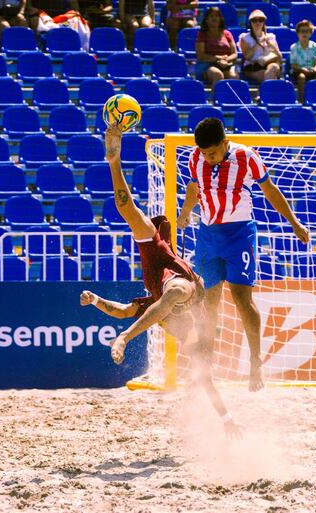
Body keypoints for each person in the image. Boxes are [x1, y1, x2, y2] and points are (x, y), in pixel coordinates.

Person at [81, 123, 242, 438]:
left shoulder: (189, 342)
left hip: (158, 279)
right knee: (131, 214)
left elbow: (124, 310)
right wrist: (125, 338)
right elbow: (173, 305)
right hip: (173, 271)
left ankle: (113, 161)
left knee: (164, 295)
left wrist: (96, 300)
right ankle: (114, 160)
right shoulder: (196, 306)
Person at [177, 118, 310, 391]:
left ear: (225, 144)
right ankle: (207, 366)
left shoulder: (246, 156)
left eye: (212, 153)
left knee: (241, 298)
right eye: (204, 153)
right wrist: (185, 212)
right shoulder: (196, 159)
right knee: (207, 302)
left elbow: (270, 189)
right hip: (208, 235)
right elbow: (193, 188)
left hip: (239, 235)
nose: (208, 158)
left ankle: (255, 361)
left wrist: (294, 222)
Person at [195, 7, 238, 87]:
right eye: (211, 16)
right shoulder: (202, 34)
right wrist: (218, 58)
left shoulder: (227, 34)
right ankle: (216, 98)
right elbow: (200, 55)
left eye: (217, 16)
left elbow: (234, 54)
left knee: (234, 77)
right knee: (218, 75)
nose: (214, 18)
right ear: (206, 19)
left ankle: (232, 99)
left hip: (226, 64)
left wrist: (225, 60)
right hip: (208, 65)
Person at [238, 9, 282, 83]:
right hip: (253, 67)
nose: (257, 23)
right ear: (250, 23)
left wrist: (271, 45)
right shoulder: (244, 38)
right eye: (254, 20)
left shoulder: (271, 37)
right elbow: (247, 56)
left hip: (269, 64)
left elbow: (279, 56)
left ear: (264, 22)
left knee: (273, 67)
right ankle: (265, 93)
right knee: (270, 77)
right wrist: (258, 42)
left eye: (260, 20)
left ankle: (262, 93)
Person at [289, 19, 316, 104]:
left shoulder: (315, 46)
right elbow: (294, 65)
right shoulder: (294, 47)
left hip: (312, 71)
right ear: (298, 33)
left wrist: (315, 69)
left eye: (307, 31)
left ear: (311, 33)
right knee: (302, 77)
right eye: (302, 31)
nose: (304, 33)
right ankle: (302, 101)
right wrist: (303, 69)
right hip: (299, 71)